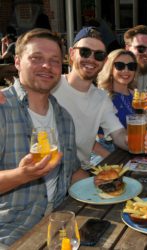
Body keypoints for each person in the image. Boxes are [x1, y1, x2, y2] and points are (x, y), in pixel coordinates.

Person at [0, 28, 88, 246]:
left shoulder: (64, 118)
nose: (47, 66)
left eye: (54, 61)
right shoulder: (2, 109)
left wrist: (111, 187)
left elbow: (73, 171)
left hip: (59, 221)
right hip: (9, 230)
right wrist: (21, 175)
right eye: (36, 58)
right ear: (18, 62)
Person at [51, 27, 147, 167]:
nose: (91, 59)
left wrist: (133, 141)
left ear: (104, 61)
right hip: (49, 172)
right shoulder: (51, 86)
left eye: (98, 55)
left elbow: (118, 134)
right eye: (85, 52)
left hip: (81, 173)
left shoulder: (101, 98)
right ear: (72, 53)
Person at [98, 49, 147, 131]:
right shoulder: (102, 96)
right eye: (120, 66)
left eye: (131, 66)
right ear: (110, 69)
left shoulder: (136, 95)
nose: (126, 70)